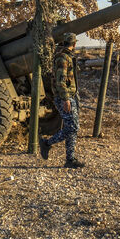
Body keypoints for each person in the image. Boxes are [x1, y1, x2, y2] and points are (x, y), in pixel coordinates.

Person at [39, 32, 84, 168]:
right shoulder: (63, 58)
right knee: (73, 127)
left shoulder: (66, 57)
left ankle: (70, 159)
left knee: (72, 128)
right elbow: (60, 81)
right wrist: (65, 98)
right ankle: (47, 143)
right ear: (74, 44)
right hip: (65, 97)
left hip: (70, 96)